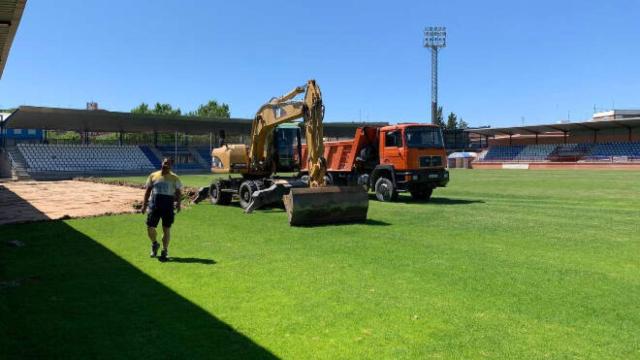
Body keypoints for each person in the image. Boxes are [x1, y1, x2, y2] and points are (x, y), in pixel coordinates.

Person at [141, 158, 182, 262]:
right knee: (150, 227)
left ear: (171, 166)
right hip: (154, 205)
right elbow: (147, 191)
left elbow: (178, 192)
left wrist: (178, 204)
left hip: (168, 206)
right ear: (162, 163)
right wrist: (144, 205)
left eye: (168, 163)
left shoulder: (175, 178)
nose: (165, 165)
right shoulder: (153, 175)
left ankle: (164, 250)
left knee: (166, 229)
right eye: (164, 163)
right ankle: (155, 244)